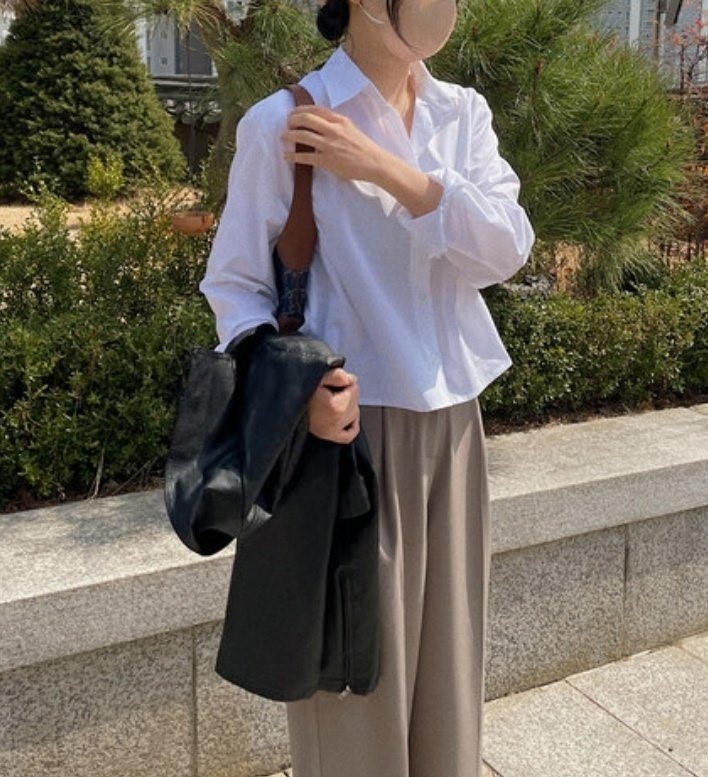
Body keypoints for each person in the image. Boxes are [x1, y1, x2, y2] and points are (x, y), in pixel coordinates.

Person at [199, 0, 535, 773]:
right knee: (354, 689)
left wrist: (388, 170)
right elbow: (235, 287)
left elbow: (506, 248)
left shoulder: (461, 114)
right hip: (347, 436)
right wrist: (300, 390)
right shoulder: (284, 123)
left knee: (450, 679)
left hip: (455, 425)